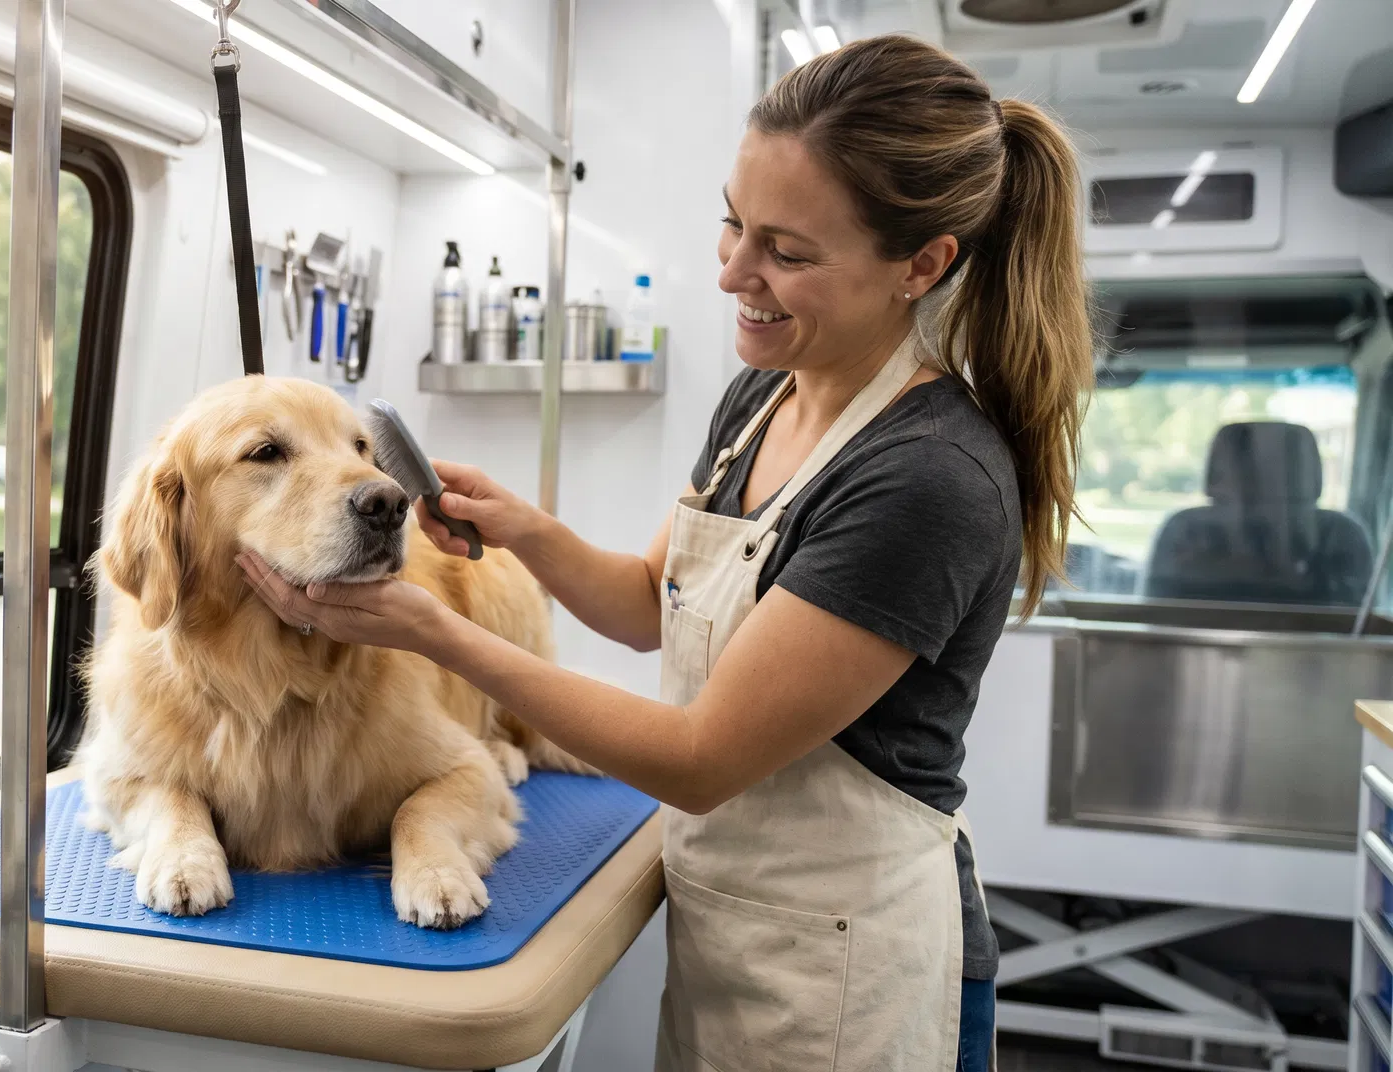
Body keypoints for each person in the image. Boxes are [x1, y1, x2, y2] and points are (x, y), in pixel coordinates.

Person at [239, 33, 1090, 1072]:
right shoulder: (762, 396)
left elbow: (701, 760)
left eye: (787, 251)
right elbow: (651, 600)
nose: (734, 271)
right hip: (739, 929)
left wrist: (438, 631)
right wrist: (524, 529)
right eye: (734, 222)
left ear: (923, 265)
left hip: (854, 971)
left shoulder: (928, 479)